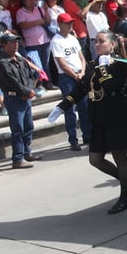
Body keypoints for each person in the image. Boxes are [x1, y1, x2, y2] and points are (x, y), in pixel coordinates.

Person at [49, 31, 127, 214]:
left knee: (119, 157)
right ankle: (126, 179)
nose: (97, 44)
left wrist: (104, 68)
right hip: (98, 117)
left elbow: (111, 87)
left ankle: (125, 197)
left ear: (112, 45)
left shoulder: (120, 64)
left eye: (101, 41)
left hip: (116, 116)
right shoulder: (92, 65)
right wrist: (62, 106)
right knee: (95, 159)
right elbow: (81, 88)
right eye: (95, 41)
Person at [0, 34, 39, 169]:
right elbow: (12, 81)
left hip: (25, 98)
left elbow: (30, 76)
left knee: (28, 126)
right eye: (12, 42)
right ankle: (18, 158)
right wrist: (25, 92)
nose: (16, 44)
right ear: (4, 45)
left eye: (16, 42)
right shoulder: (2, 63)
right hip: (14, 98)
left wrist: (29, 91)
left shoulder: (21, 59)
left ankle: (27, 152)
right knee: (18, 128)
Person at [50, 13, 89, 151]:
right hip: (67, 77)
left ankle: (87, 134)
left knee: (84, 106)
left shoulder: (73, 38)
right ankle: (73, 139)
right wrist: (75, 75)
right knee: (70, 109)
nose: (70, 25)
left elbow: (82, 57)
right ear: (60, 24)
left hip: (79, 73)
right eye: (67, 23)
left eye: (71, 22)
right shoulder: (56, 41)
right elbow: (62, 64)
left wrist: (82, 72)